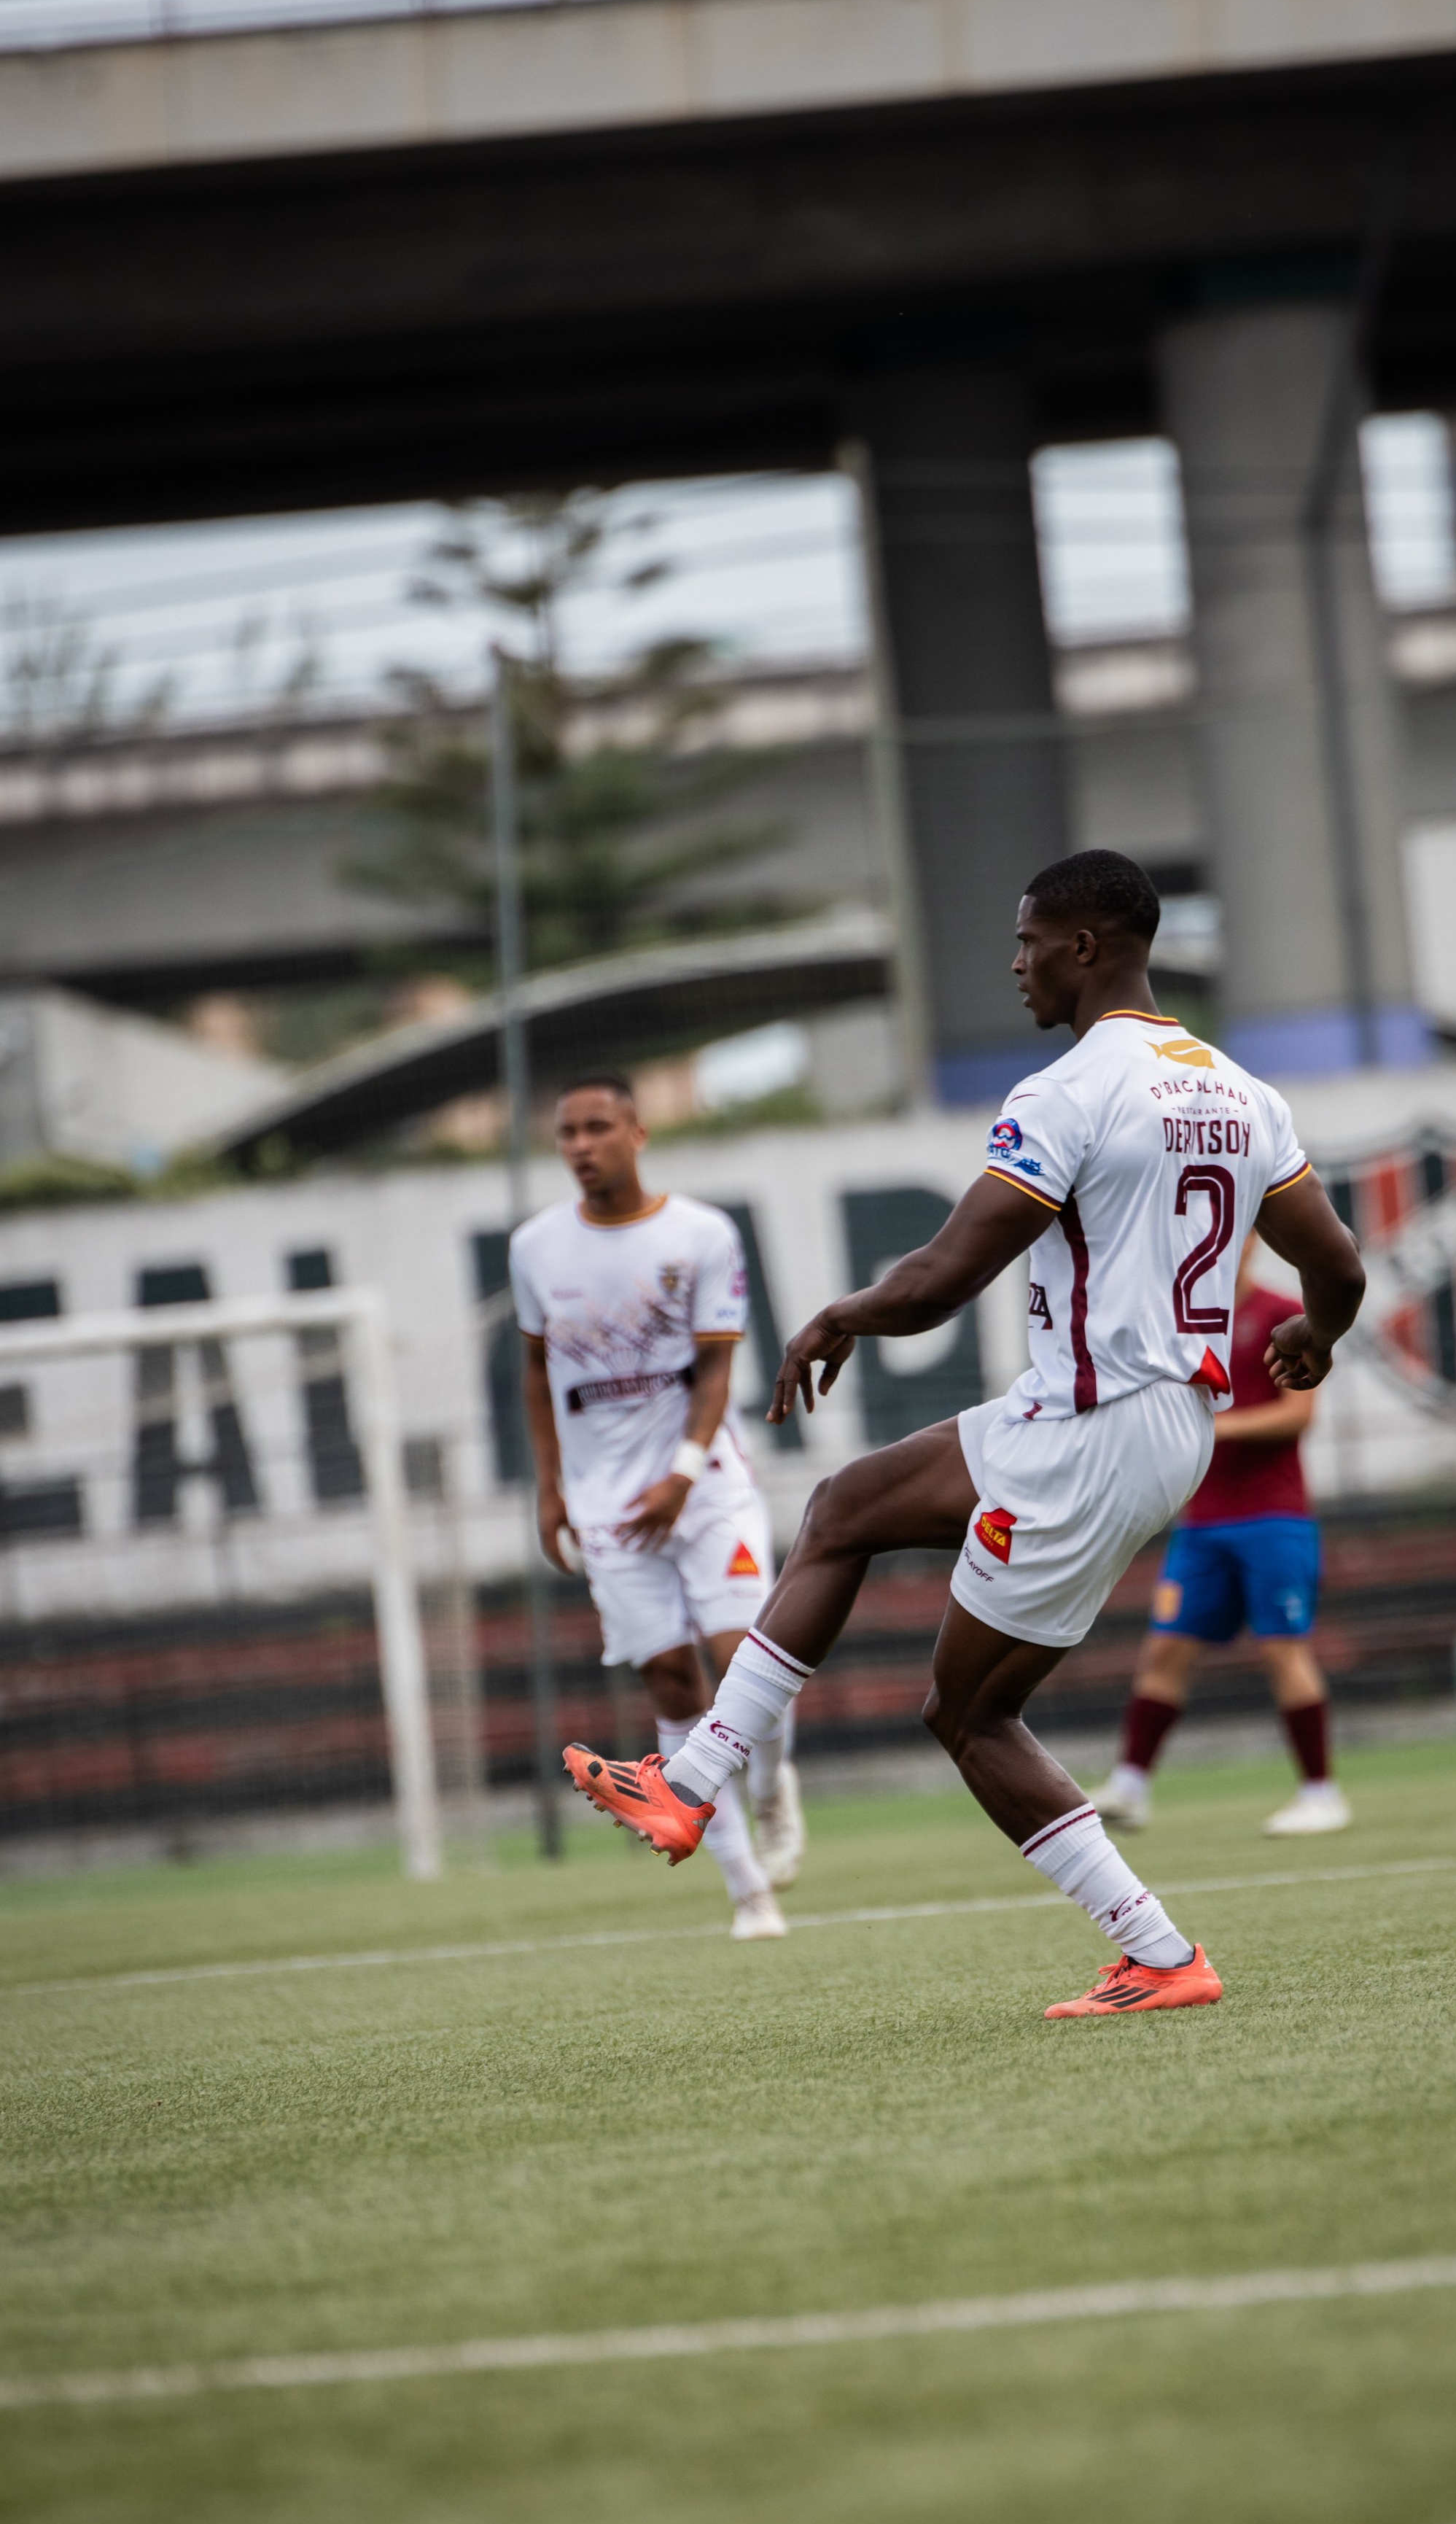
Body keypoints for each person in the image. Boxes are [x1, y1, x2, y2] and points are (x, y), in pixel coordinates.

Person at [564, 849, 1366, 2020]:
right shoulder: (1245, 1093)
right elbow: (1336, 1267)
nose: (1017, 962)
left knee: (963, 1705)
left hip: (1091, 1419)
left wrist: (844, 1314)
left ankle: (1153, 1952)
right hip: (1164, 1425)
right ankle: (691, 1782)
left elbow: (946, 1275)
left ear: (1087, 947)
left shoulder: (1069, 1090)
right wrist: (1316, 1336)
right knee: (848, 1515)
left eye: (1032, 938)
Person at [513, 1073, 807, 1940]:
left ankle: (770, 1784)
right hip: (607, 1507)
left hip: (706, 1487)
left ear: (637, 1133)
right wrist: (549, 1484)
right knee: (674, 1679)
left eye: (596, 1126)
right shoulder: (535, 1247)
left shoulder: (702, 1233)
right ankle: (748, 1889)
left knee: (745, 1660)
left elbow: (716, 1369)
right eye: (565, 1132)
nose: (579, 1145)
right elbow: (534, 1371)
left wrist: (680, 1472)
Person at [1097, 1235, 1349, 1838]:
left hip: (1273, 1517)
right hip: (1202, 1521)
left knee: (1281, 1650)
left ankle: (1321, 1794)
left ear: (1251, 1241)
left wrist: (1216, 1428)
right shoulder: (1176, 1322)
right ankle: (1130, 1788)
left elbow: (1298, 1414)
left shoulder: (1282, 1314)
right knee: (1165, 1651)